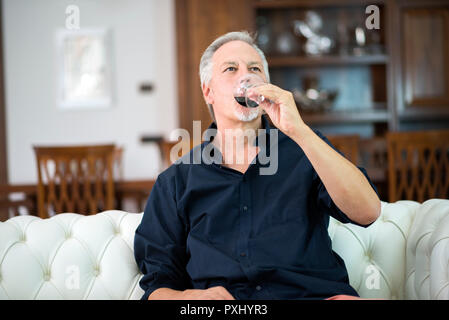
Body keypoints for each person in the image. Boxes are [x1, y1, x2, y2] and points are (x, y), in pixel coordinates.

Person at [134, 31, 381, 300]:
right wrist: (190, 299)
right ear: (208, 91)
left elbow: (367, 212)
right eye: (231, 68)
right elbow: (157, 285)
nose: (245, 77)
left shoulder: (305, 149)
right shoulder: (176, 181)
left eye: (254, 69)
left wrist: (298, 129)